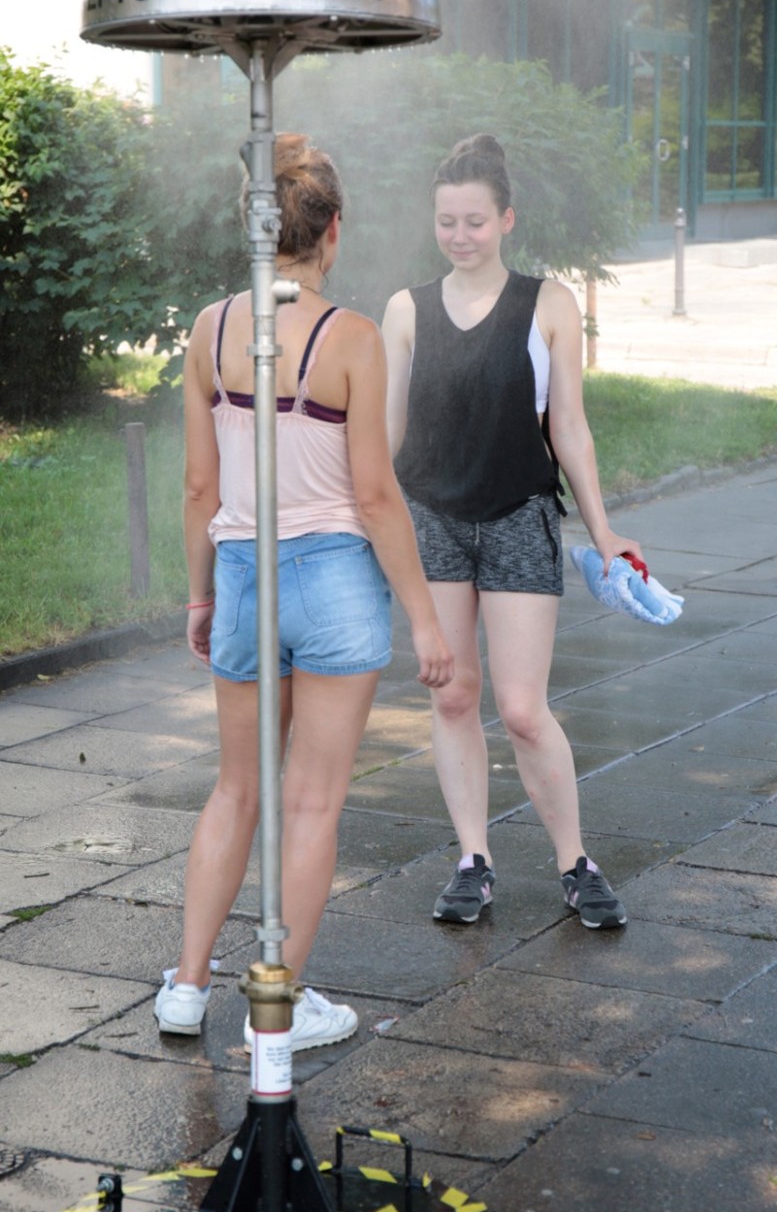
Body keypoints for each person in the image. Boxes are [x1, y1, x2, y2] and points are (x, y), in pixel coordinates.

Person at [155, 133, 453, 1044]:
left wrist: (202, 598)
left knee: (235, 789)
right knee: (314, 801)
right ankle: (273, 1016)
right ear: (332, 231)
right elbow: (374, 496)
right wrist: (428, 622)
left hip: (243, 576)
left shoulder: (210, 329)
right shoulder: (352, 338)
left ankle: (186, 989)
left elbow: (200, 489)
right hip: (332, 581)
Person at [383, 133, 643, 931]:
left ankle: (575, 863)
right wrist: (358, 524)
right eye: (447, 222)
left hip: (520, 518)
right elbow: (385, 442)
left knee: (524, 708)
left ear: (507, 220)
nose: (460, 236)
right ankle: (472, 859)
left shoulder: (549, 303)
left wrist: (604, 535)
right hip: (433, 521)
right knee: (454, 695)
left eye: (475, 221)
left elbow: (571, 430)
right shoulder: (405, 310)